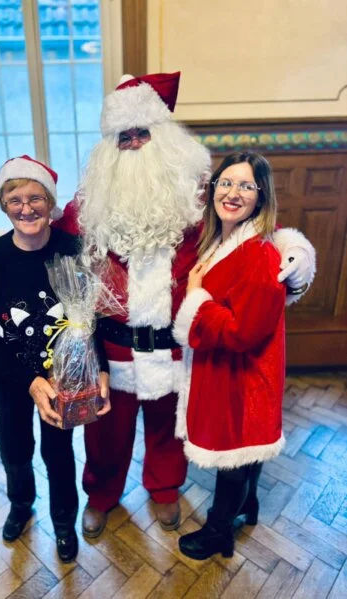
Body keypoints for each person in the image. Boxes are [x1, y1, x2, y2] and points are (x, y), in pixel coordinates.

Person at [0, 72, 316, 538]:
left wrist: (296, 250)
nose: (132, 145)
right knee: (104, 430)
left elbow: (249, 232)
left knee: (167, 426)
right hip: (110, 348)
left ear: (164, 138)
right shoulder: (91, 203)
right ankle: (101, 494)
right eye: (122, 137)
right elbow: (40, 230)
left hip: (174, 343)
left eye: (141, 134)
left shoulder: (199, 197)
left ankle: (164, 488)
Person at [0, 155, 110, 563]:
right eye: (15, 200)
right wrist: (30, 381)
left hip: (64, 377)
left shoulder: (71, 250)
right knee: (15, 447)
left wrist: (99, 368)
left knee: (59, 452)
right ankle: (20, 504)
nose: (26, 208)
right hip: (10, 376)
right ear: (4, 205)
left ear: (50, 203)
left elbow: (89, 319)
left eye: (36, 198)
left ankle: (64, 522)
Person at [173, 151, 290, 560]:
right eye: (226, 182)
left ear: (261, 196)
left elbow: (243, 331)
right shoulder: (222, 239)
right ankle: (248, 504)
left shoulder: (258, 253)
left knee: (234, 454)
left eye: (245, 186)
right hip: (232, 368)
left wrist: (197, 300)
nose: (233, 193)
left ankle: (219, 532)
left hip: (244, 373)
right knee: (244, 448)